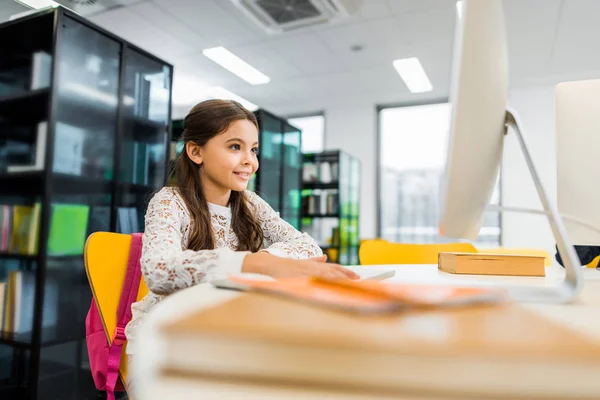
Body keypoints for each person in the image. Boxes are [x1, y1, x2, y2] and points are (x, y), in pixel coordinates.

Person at [124, 99, 358, 394]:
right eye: (235, 147)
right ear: (196, 151)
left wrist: (268, 259)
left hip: (223, 329)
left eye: (254, 149)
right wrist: (254, 263)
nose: (250, 160)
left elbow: (307, 245)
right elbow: (158, 272)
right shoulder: (170, 201)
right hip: (167, 341)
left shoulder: (249, 202)